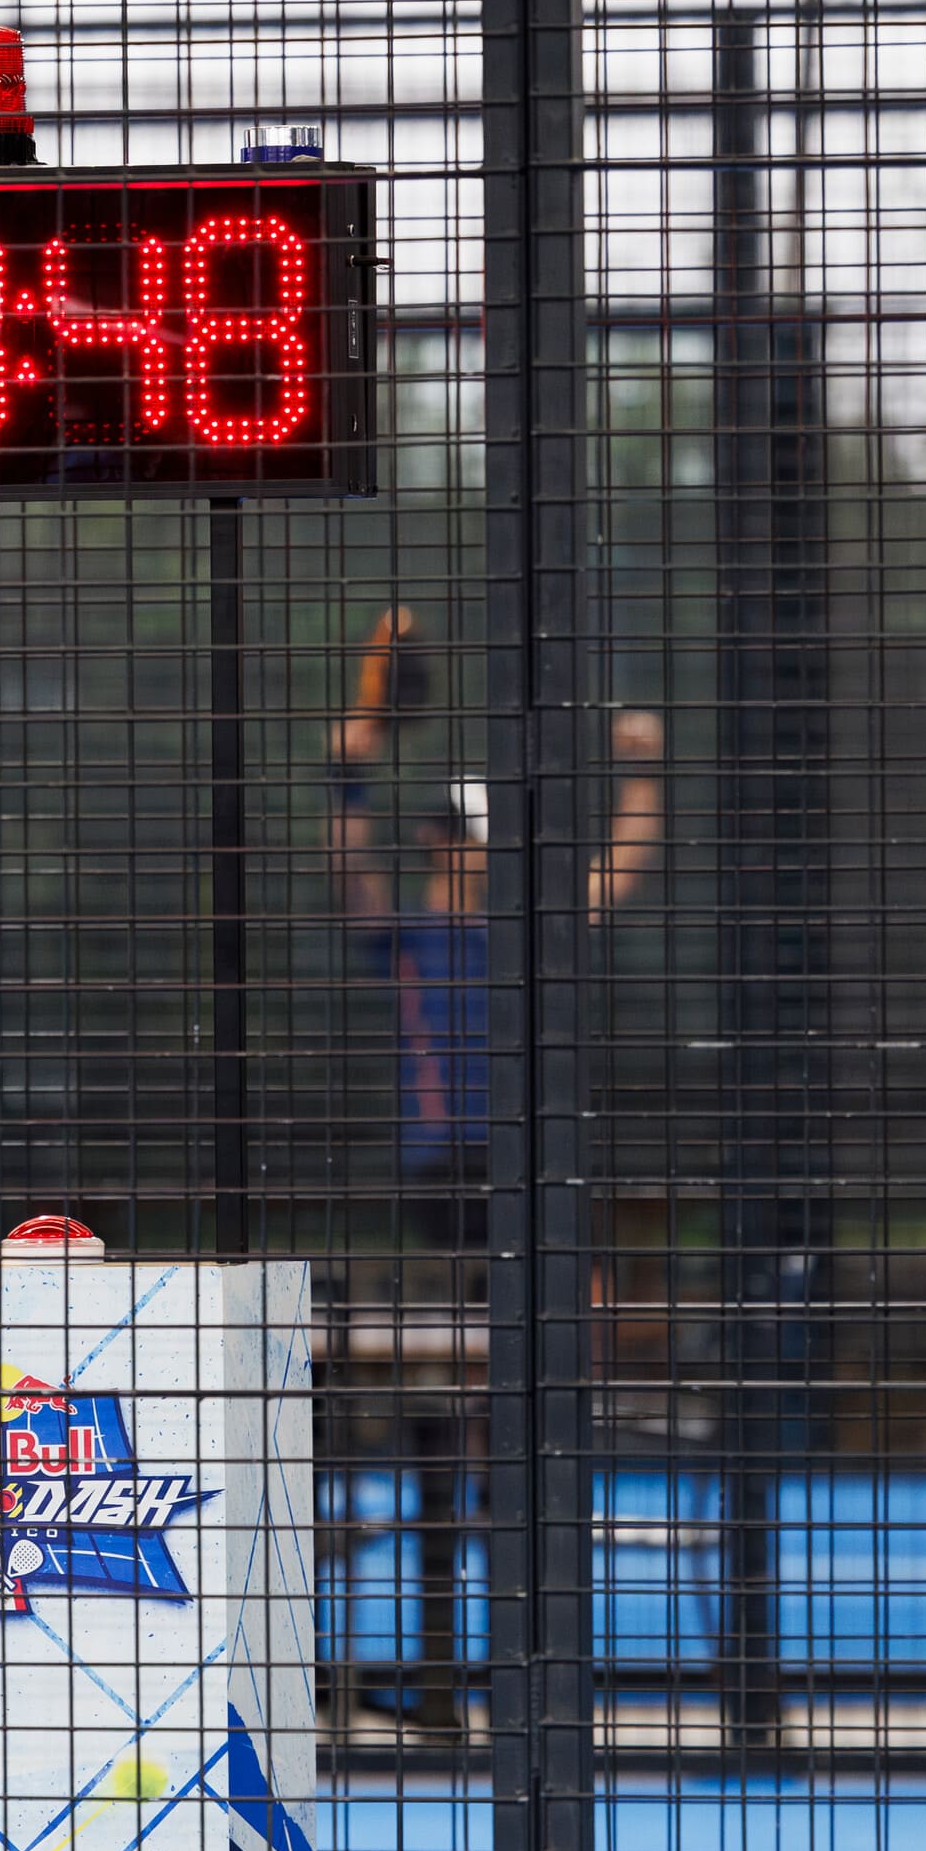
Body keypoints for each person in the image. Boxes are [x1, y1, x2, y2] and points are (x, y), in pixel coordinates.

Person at [321, 611, 662, 1721]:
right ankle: (481, 1480)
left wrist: (641, 775)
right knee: (478, 1346)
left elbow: (617, 872)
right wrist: (353, 754)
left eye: (472, 836)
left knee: (555, 1319)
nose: (462, 849)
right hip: (448, 1173)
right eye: (454, 835)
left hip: (525, 1166)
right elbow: (346, 861)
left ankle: (511, 1478)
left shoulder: (532, 930)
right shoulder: (409, 937)